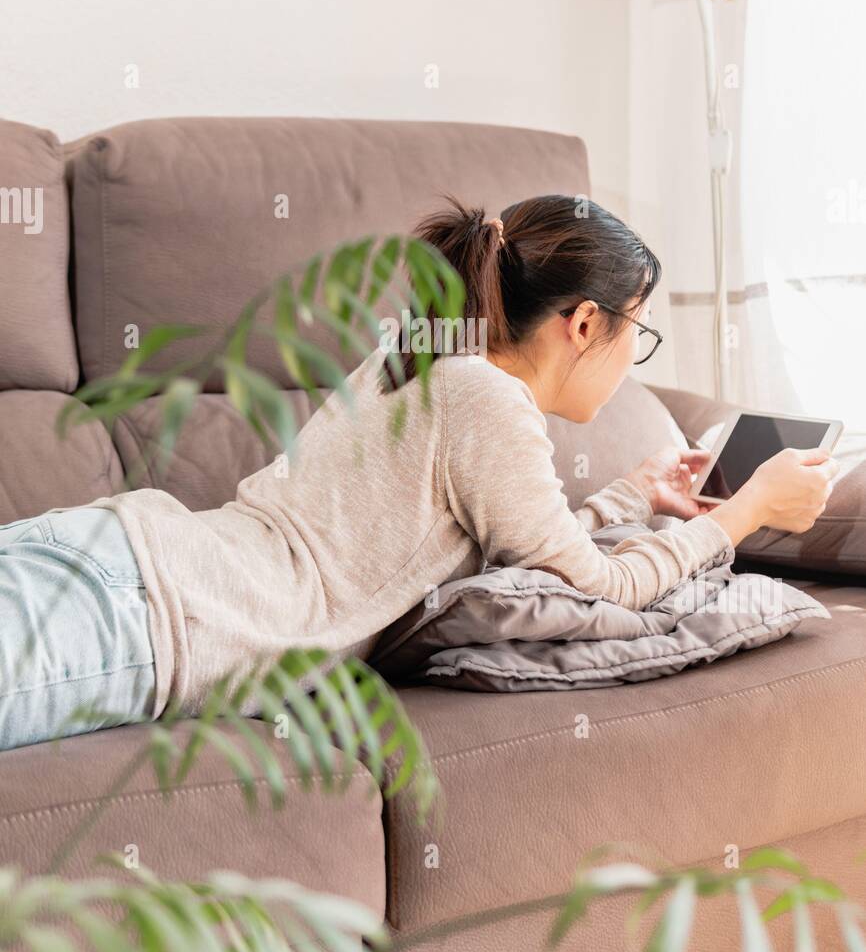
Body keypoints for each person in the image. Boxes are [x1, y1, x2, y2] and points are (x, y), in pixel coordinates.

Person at [0, 194, 837, 750]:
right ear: (586, 323)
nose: (634, 361)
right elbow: (604, 590)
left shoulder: (430, 358)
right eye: (638, 335)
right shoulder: (486, 401)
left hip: (122, 557)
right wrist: (738, 513)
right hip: (151, 617)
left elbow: (524, 551)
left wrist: (635, 496)